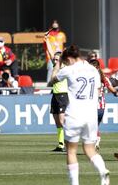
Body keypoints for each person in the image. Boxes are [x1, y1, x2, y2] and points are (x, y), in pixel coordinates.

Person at [50, 45, 110, 185]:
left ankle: (75, 183)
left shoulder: (68, 70)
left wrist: (58, 64)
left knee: (71, 150)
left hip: (74, 113)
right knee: (89, 149)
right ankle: (103, 171)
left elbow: (52, 80)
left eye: (66, 60)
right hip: (91, 114)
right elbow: (97, 91)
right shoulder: (93, 70)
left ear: (69, 58)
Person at [45, 36, 69, 152]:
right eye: (54, 59)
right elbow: (50, 52)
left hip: (63, 95)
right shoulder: (55, 66)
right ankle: (60, 144)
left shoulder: (64, 68)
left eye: (56, 59)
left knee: (62, 120)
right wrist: (46, 40)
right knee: (56, 121)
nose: (54, 60)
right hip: (55, 95)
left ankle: (68, 142)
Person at [89, 59, 118, 150]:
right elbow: (113, 90)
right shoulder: (104, 78)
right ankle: (96, 139)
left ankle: (95, 139)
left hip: (92, 106)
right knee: (95, 125)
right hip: (101, 107)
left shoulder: (89, 78)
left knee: (90, 125)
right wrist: (116, 93)